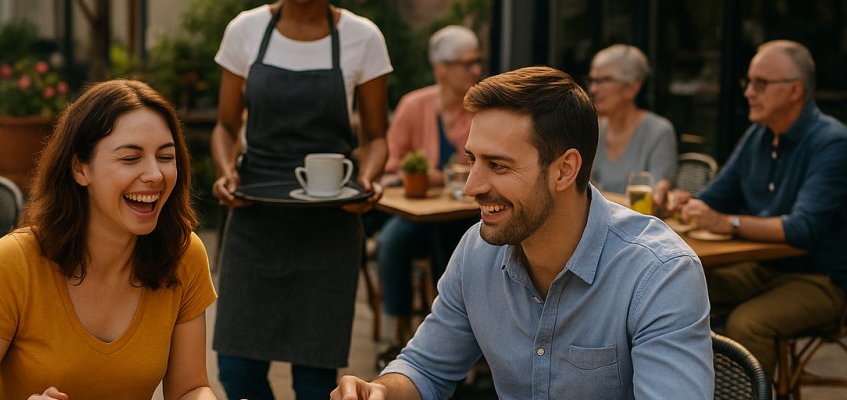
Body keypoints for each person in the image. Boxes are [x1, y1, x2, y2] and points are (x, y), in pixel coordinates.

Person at [333, 66, 713, 400]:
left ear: (565, 170)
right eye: (472, 160)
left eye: (498, 166)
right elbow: (425, 369)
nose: (472, 186)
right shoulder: (476, 252)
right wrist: (381, 390)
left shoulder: (660, 273)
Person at [0, 79, 216, 399]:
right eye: (130, 158)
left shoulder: (184, 255)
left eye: (166, 157)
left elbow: (190, 389)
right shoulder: (14, 262)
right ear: (80, 168)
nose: (155, 174)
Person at [209, 0, 391, 398]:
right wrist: (227, 172)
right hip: (255, 212)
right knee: (236, 368)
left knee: (314, 378)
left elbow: (377, 138)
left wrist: (365, 180)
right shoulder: (246, 29)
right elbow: (224, 125)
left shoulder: (363, 37)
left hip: (328, 221)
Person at [657, 40, 847, 371]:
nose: (748, 92)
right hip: (761, 267)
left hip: (821, 279)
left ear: (795, 91)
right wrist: (686, 203)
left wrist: (728, 223)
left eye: (760, 83)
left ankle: (747, 391)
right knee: (673, 286)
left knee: (747, 324)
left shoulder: (832, 144)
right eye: (748, 82)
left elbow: (802, 230)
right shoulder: (759, 134)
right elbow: (716, 197)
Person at [375, 25, 481, 363]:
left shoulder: (482, 109)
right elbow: (390, 165)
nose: (476, 70)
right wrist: (432, 177)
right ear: (441, 68)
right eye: (467, 63)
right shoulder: (413, 105)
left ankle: (459, 338)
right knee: (392, 242)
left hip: (471, 214)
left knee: (455, 245)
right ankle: (401, 334)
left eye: (478, 61)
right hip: (420, 214)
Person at [586, 44, 677, 194]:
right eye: (593, 81)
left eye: (605, 80)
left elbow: (656, 197)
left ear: (632, 88)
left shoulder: (659, 131)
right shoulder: (592, 128)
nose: (593, 89)